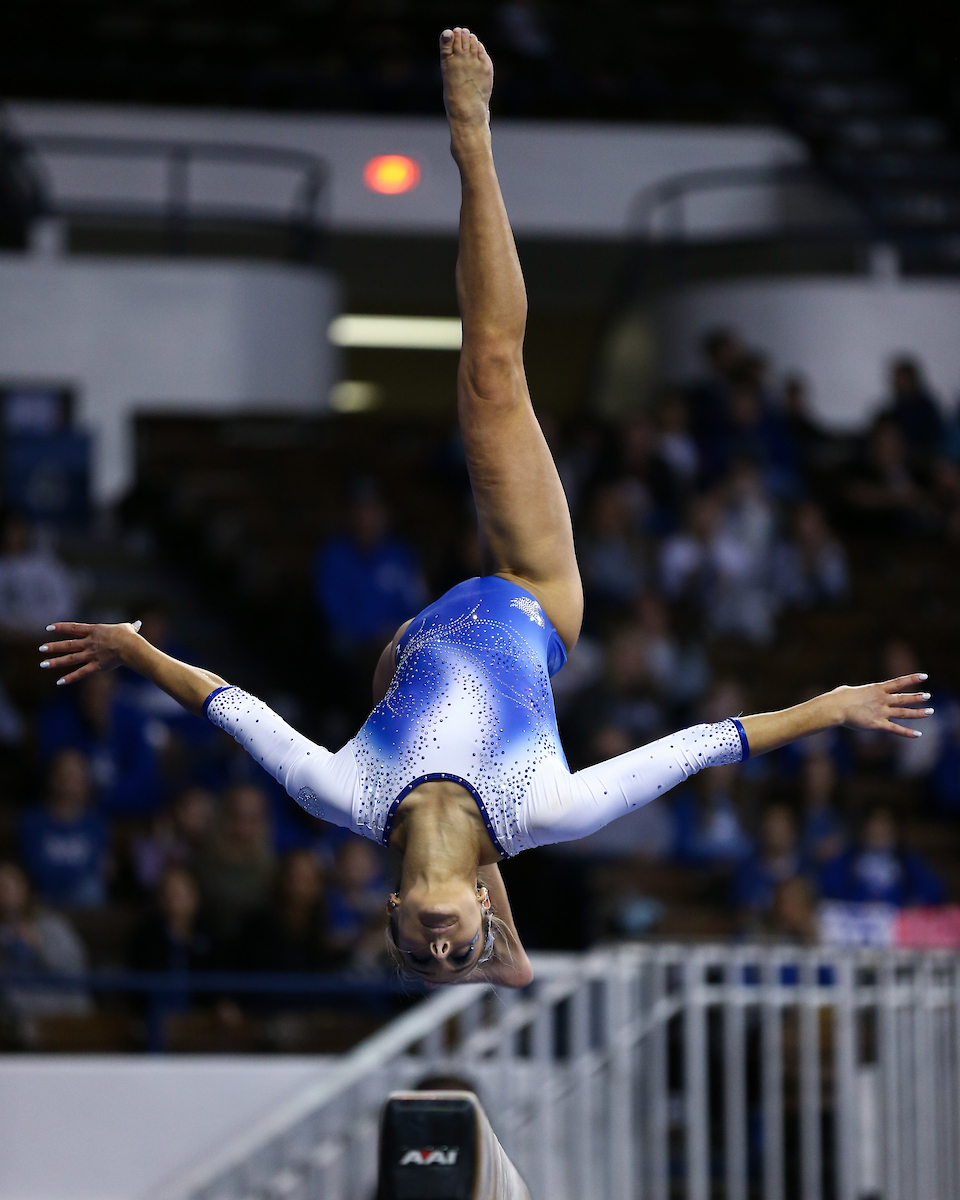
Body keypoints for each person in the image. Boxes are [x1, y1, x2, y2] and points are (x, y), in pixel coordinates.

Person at [38, 28, 935, 987]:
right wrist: (831, 706)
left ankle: (515, 966)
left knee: (391, 663)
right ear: (482, 910)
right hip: (531, 595)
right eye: (457, 946)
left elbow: (229, 705)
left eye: (424, 950)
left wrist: (137, 650)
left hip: (413, 646)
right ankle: (474, 136)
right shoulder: (544, 808)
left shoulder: (343, 792)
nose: (436, 943)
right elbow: (706, 744)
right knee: (492, 378)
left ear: (391, 911)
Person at [0, 861, 90, 1020]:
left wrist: (40, 944)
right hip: (13, 1014)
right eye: (1, 886)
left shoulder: (53, 925)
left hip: (62, 1008)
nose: (6, 892)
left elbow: (75, 969)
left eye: (12, 885)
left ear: (26, 888)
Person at [19, 748, 109, 908]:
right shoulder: (33, 822)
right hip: (43, 898)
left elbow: (94, 869)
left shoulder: (96, 824)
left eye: (77, 776)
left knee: (92, 889)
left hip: (84, 900)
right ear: (52, 778)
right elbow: (33, 867)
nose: (71, 782)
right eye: (66, 775)